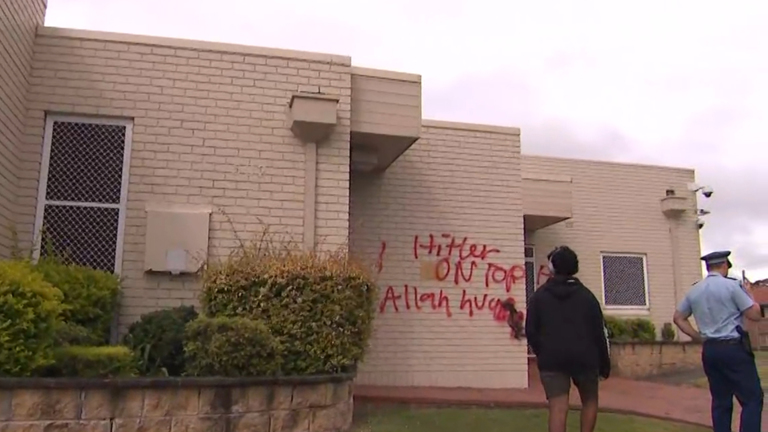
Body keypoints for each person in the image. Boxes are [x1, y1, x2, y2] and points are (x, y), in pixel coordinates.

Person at [673, 250, 764, 432]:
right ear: (724, 265)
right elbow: (754, 315)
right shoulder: (732, 287)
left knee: (721, 401)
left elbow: (678, 318)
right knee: (752, 398)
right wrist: (751, 295)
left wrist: (697, 336)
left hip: (710, 349)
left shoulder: (695, 290)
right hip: (733, 348)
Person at [526, 246, 611, 432]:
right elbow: (599, 332)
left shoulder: (539, 297)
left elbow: (530, 330)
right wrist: (604, 364)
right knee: (589, 400)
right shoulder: (587, 297)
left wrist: (544, 351)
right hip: (585, 357)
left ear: (552, 267)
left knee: (558, 406)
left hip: (552, 359)